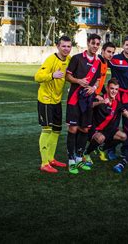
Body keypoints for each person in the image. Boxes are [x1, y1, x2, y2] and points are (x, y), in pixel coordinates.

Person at [83, 78, 128, 167]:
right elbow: (88, 105)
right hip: (94, 130)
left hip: (107, 131)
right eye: (112, 88)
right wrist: (101, 102)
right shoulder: (100, 97)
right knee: (101, 138)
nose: (114, 91)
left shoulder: (117, 103)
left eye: (116, 89)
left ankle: (101, 148)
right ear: (108, 88)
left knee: (123, 136)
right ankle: (86, 154)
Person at [35, 36, 72, 173]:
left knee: (56, 130)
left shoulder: (68, 59)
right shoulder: (51, 59)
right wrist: (52, 75)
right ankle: (44, 163)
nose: (66, 49)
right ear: (58, 46)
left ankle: (51, 158)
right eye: (64, 46)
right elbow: (37, 76)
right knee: (47, 130)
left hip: (57, 100)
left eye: (69, 46)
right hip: (45, 100)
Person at [65, 33, 102, 174]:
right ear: (88, 43)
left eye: (98, 44)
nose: (95, 46)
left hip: (87, 101)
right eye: (93, 43)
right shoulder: (76, 58)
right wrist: (79, 81)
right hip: (74, 99)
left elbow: (98, 80)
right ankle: (71, 161)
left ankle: (79, 159)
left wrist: (94, 88)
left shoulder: (98, 62)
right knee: (73, 129)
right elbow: (68, 76)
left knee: (85, 129)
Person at [108, 37, 128, 158]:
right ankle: (110, 149)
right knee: (114, 123)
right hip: (117, 96)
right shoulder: (114, 59)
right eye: (127, 45)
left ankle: (125, 149)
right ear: (123, 45)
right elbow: (102, 60)